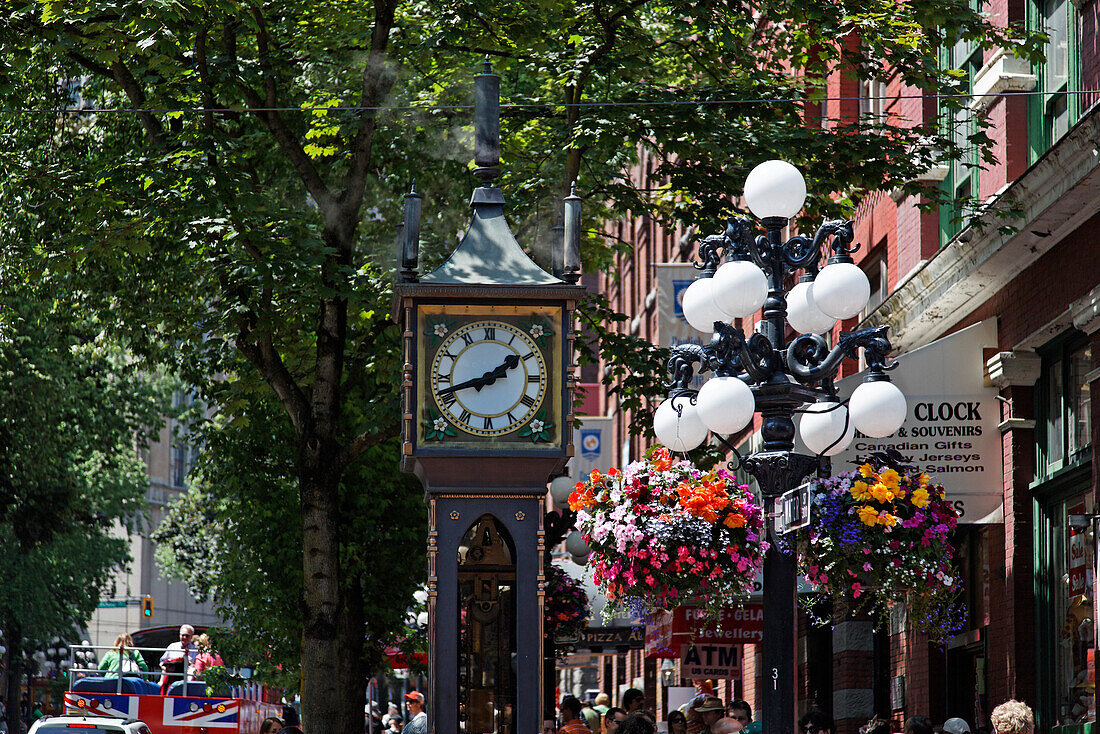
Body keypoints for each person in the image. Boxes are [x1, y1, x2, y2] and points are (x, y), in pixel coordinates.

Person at [159, 625, 198, 693]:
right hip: (171, 679)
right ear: (179, 635)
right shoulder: (172, 646)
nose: (184, 637)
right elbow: (162, 662)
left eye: (187, 636)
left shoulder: (195, 650)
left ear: (191, 636)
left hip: (186, 680)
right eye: (183, 635)